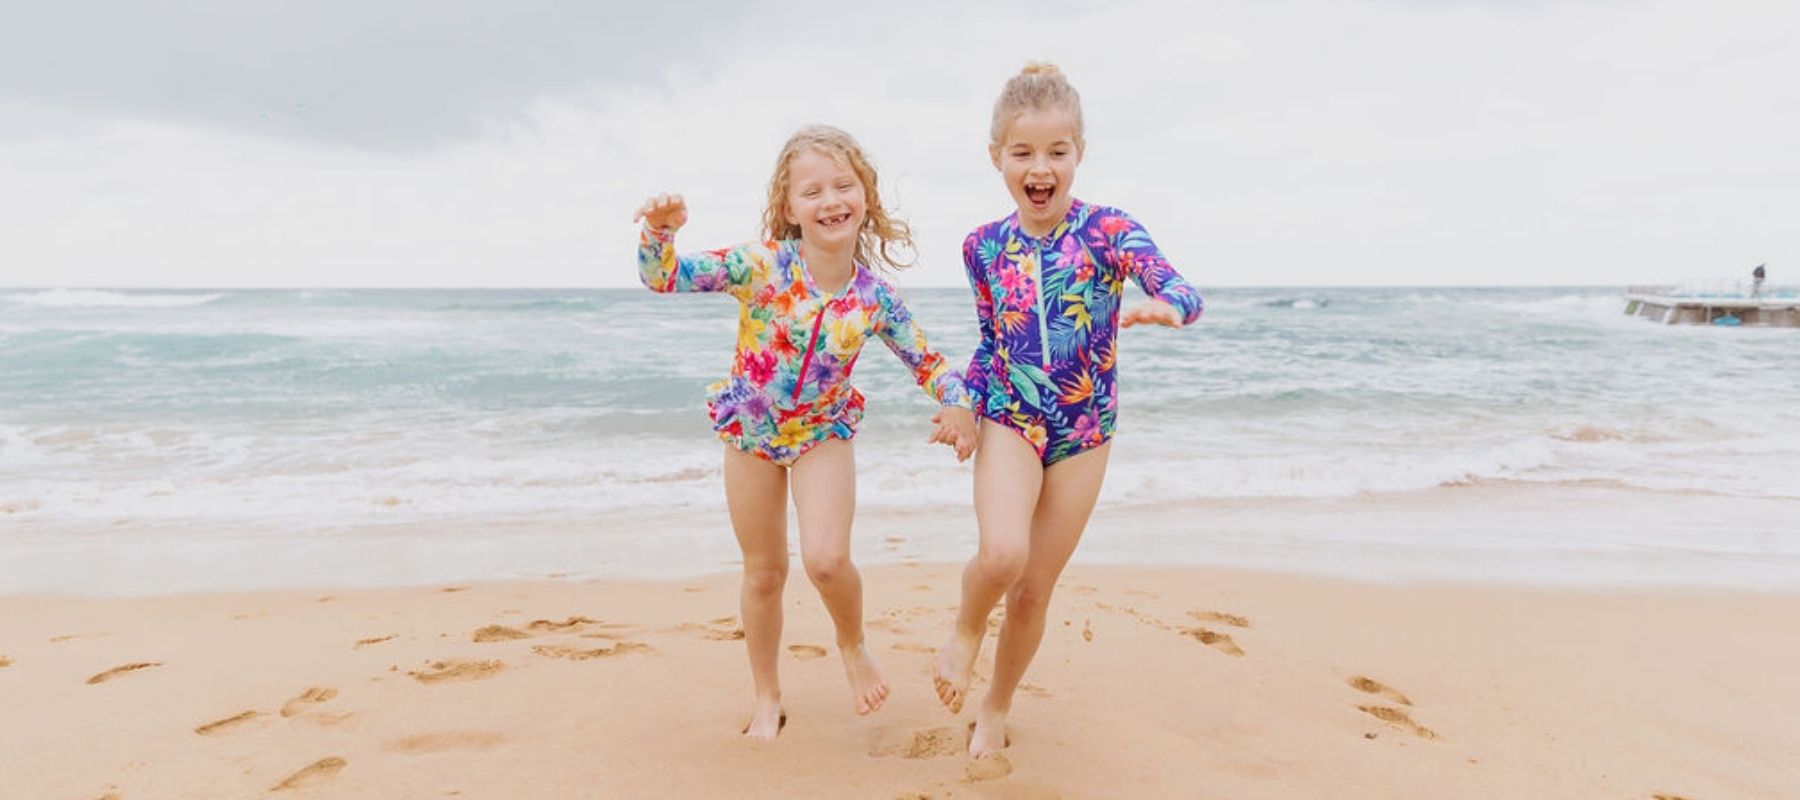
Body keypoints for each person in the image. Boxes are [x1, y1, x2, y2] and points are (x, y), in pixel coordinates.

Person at [634, 125, 978, 741]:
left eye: (843, 186)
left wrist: (959, 403)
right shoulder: (761, 264)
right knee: (764, 573)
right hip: (752, 432)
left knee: (825, 560)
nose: (831, 200)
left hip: (823, 432)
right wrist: (661, 231)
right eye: (812, 190)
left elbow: (929, 362)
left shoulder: (874, 298)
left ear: (864, 197)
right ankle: (767, 696)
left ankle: (852, 644)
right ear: (790, 208)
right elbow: (665, 277)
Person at [931, 62, 1206, 759]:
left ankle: (995, 706)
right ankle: (965, 629)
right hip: (1011, 417)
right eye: (1022, 152)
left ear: (1078, 153)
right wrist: (961, 405)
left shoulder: (1110, 230)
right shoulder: (982, 247)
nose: (1040, 166)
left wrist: (1167, 307)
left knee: (1031, 591)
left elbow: (1179, 286)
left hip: (1085, 430)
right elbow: (992, 345)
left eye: (1057, 151)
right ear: (997, 157)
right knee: (1001, 555)